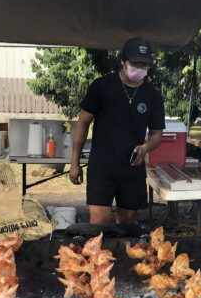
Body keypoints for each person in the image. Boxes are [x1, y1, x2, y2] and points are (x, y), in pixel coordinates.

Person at [68, 37, 165, 226]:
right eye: (136, 63)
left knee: (127, 226)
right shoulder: (101, 87)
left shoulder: (153, 95)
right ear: (122, 61)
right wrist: (74, 163)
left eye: (145, 65)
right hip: (101, 168)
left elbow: (156, 135)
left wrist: (146, 147)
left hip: (132, 168)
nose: (141, 68)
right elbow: (83, 123)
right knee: (99, 224)